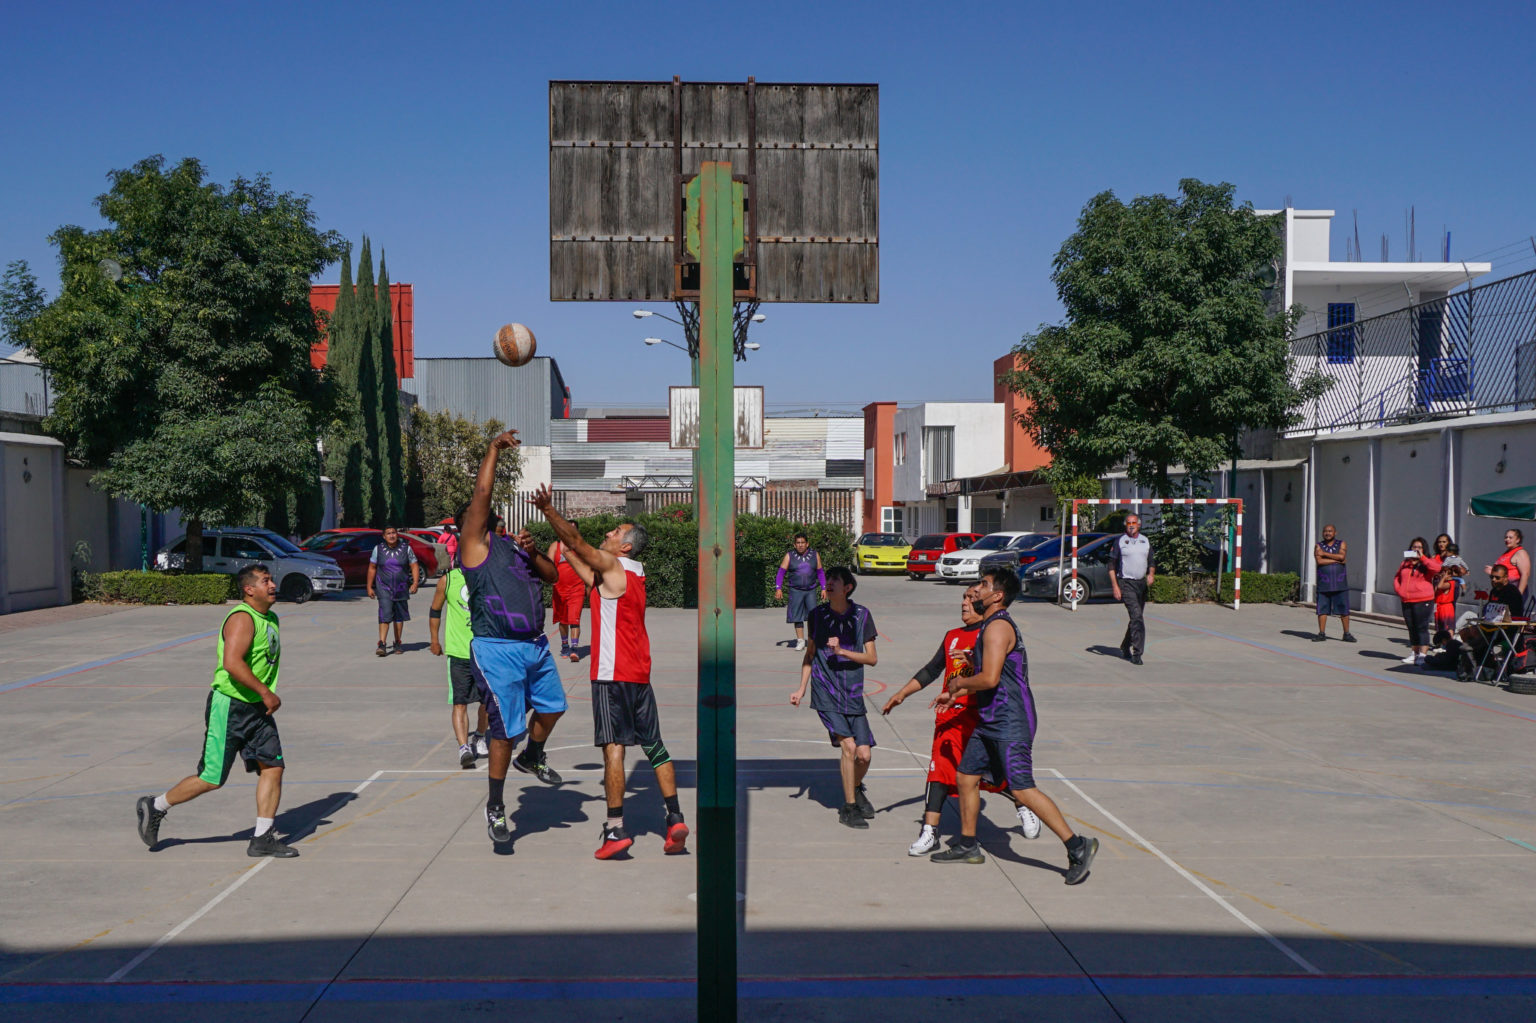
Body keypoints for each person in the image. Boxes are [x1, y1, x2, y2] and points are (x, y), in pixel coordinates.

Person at [529, 483, 689, 860]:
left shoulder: (614, 565)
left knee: (613, 749)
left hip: (611, 675)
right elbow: (579, 561)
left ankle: (615, 828)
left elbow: (579, 543)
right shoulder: (631, 573)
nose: (609, 533)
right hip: (639, 675)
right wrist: (546, 548)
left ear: (626, 546)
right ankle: (675, 818)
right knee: (655, 748)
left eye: (615, 532)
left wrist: (549, 512)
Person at [928, 566, 1099, 883]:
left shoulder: (997, 627)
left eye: (983, 584)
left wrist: (957, 686)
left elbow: (990, 678)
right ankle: (968, 845)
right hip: (990, 718)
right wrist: (968, 672)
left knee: (1022, 788)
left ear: (998, 595)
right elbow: (992, 672)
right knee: (966, 777)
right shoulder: (989, 626)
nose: (977, 589)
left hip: (1010, 719)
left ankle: (1077, 846)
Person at [134, 564, 298, 858]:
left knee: (273, 767)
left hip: (257, 709)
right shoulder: (242, 618)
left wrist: (262, 698)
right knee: (212, 778)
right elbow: (232, 663)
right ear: (249, 589)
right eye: (265, 581)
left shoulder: (270, 618)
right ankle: (155, 805)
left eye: (271, 580)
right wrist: (266, 692)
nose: (272, 585)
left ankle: (262, 838)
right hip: (231, 706)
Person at [460, 434, 566, 847]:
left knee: (554, 708)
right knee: (504, 730)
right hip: (497, 649)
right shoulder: (474, 548)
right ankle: (496, 806)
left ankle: (533, 756)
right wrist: (492, 450)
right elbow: (482, 494)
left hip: (535, 645)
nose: (494, 521)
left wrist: (535, 550)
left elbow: (553, 576)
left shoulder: (513, 548)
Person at [881, 583, 1041, 856]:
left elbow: (996, 676)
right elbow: (931, 670)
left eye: (970, 597)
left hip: (983, 715)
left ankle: (1022, 802)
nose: (965, 603)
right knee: (939, 769)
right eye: (963, 598)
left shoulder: (991, 633)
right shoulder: (952, 636)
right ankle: (929, 831)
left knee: (993, 775)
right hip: (950, 716)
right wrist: (902, 693)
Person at [790, 566, 879, 830]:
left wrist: (843, 651)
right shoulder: (816, 615)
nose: (828, 584)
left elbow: (872, 658)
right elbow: (810, 655)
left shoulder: (862, 616)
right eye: (827, 580)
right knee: (849, 748)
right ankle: (849, 808)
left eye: (834, 581)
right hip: (826, 691)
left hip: (852, 693)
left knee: (864, 755)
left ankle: (855, 787)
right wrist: (801, 688)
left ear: (847, 587)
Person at [429, 546, 491, 769]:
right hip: (458, 651)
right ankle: (464, 747)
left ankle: (481, 736)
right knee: (460, 702)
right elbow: (435, 610)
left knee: (486, 701)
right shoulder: (448, 581)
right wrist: (434, 640)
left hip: (484, 649)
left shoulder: (486, 578)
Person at [1109, 513, 1155, 665]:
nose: (1131, 525)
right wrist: (1115, 586)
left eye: (1134, 522)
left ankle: (1124, 645)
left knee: (1136, 618)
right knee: (1136, 617)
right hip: (1126, 583)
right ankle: (1137, 653)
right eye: (1128, 523)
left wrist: (1151, 574)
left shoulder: (1145, 541)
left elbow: (1151, 561)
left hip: (1141, 584)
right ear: (1125, 525)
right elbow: (1111, 566)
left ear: (1139, 524)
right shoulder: (1120, 541)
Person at [367, 526, 420, 656]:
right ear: (384, 536)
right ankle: (382, 644)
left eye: (393, 533)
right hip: (383, 587)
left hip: (401, 588)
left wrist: (415, 583)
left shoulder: (406, 548)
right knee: (385, 614)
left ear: (397, 535)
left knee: (399, 616)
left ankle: (397, 642)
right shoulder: (377, 549)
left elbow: (414, 565)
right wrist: (369, 586)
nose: (391, 536)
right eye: (388, 533)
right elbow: (372, 568)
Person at [1392, 537, 1442, 667]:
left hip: (1423, 599)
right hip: (1407, 599)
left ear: (1423, 549)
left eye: (1419, 547)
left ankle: (1423, 655)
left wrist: (1423, 559)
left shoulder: (1428, 562)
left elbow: (1438, 569)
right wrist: (1399, 590)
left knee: (1421, 627)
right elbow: (1397, 577)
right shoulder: (1405, 563)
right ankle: (1414, 653)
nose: (1416, 549)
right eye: (1414, 547)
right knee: (1412, 627)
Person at [774, 532, 826, 651]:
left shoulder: (814, 554)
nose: (800, 545)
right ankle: (801, 641)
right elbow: (781, 572)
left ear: (807, 544)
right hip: (795, 590)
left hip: (811, 590)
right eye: (798, 543)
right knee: (797, 617)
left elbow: (820, 572)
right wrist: (778, 587)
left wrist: (824, 587)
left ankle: (813, 640)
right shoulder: (789, 555)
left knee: (813, 617)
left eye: (803, 542)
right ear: (794, 544)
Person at [550, 526, 589, 662]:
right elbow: (549, 566)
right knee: (563, 620)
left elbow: (587, 566)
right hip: (559, 589)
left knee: (574, 619)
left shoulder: (579, 547)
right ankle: (565, 646)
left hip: (576, 588)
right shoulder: (556, 545)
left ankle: (574, 649)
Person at [1312, 524, 1355, 642]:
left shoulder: (1342, 543)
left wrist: (1325, 554)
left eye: (1330, 531)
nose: (1327, 533)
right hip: (1324, 583)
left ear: (1335, 532)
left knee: (1344, 609)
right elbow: (1319, 561)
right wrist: (1337, 560)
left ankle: (1346, 634)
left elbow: (1342, 556)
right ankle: (1321, 633)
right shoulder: (1318, 545)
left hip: (1340, 583)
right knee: (1322, 609)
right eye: (1325, 531)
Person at [1484, 529, 1531, 611]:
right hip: (1502, 592)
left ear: (1518, 540)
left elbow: (1525, 574)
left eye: (1510, 537)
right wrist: (1492, 571)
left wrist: (1518, 595)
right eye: (1506, 537)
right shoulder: (1508, 552)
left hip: (1513, 593)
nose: (1507, 540)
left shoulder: (1520, 553)